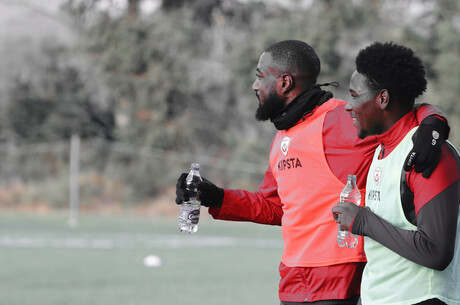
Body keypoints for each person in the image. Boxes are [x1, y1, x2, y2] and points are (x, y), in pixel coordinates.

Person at [176, 40, 448, 304]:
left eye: (260, 76)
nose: (254, 85)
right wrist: (217, 197)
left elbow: (400, 115)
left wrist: (432, 123)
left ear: (285, 83)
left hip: (342, 281)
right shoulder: (282, 135)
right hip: (293, 282)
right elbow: (275, 207)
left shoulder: (341, 118)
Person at [332, 42, 460, 305]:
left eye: (355, 95)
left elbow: (436, 252)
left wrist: (364, 221)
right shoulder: (382, 147)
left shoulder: (431, 154)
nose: (347, 106)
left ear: (383, 98)